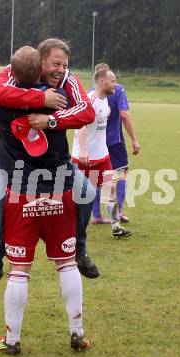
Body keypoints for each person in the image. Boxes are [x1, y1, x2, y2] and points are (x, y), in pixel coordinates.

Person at [0, 46, 93, 355]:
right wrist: (51, 112)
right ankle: (77, 332)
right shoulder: (58, 100)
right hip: (59, 186)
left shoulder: (6, 103)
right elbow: (81, 114)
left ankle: (12, 339)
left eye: (64, 64)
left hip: (22, 191)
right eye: (55, 63)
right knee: (66, 264)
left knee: (19, 271)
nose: (61, 69)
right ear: (41, 65)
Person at [72, 69, 131, 238]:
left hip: (102, 156)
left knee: (110, 188)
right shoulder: (90, 100)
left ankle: (116, 227)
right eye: (113, 81)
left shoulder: (105, 101)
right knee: (80, 196)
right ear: (102, 82)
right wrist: (83, 151)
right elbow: (80, 125)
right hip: (83, 158)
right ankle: (73, 230)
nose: (116, 84)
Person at [91, 63, 140, 224]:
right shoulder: (118, 89)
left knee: (97, 178)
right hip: (114, 141)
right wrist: (134, 139)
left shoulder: (92, 93)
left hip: (96, 143)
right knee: (121, 175)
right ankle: (119, 211)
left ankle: (97, 215)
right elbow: (124, 114)